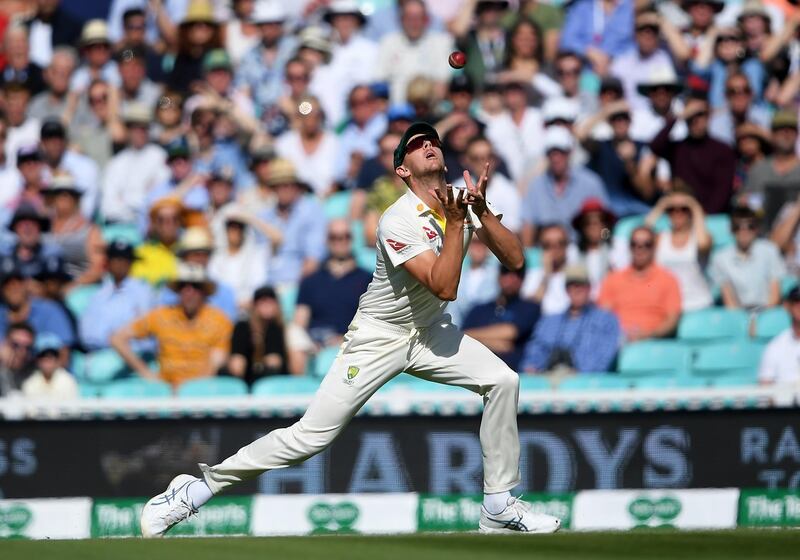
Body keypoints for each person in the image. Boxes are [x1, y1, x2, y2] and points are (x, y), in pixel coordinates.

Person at [140, 122, 560, 536]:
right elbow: (445, 285)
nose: (428, 145)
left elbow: (516, 259)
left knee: (503, 380)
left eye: (433, 140)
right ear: (403, 170)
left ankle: (498, 506)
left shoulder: (461, 204)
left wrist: (481, 212)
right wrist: (457, 221)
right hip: (379, 336)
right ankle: (195, 490)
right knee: (309, 438)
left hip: (430, 330)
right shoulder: (397, 220)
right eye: (416, 144)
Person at [111, 262, 233, 388]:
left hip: (201, 392)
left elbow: (215, 364)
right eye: (183, 286)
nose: (189, 291)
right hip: (165, 390)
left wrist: (189, 391)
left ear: (204, 292)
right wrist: (146, 373)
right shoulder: (162, 316)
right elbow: (117, 338)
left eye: (195, 286)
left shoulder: (219, 320)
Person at [289, 219, 372, 373]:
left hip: (351, 341)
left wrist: (344, 338)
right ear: (327, 240)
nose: (340, 241)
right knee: (293, 333)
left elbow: (372, 321)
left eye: (345, 236)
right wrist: (314, 344)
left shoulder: (368, 280)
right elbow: (300, 322)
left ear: (351, 239)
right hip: (316, 342)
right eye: (334, 237)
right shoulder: (311, 281)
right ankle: (300, 386)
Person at [520, 264, 620, 374]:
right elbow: (533, 354)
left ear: (589, 288)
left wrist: (576, 372)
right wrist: (533, 367)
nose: (577, 289)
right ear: (566, 289)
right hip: (548, 382)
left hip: (585, 384)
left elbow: (604, 358)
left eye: (581, 285)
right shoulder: (549, 322)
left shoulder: (606, 320)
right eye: (572, 285)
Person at [521, 126, 608, 245]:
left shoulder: (590, 183)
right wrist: (529, 258)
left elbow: (604, 222)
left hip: (583, 249)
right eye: (552, 153)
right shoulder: (536, 186)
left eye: (561, 152)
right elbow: (528, 225)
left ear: (570, 153)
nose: (556, 158)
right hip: (547, 251)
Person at [649, 98, 737, 214]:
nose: (695, 120)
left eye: (700, 115)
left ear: (709, 117)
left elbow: (722, 191)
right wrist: (678, 117)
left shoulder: (723, 150)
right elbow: (656, 146)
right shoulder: (677, 148)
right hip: (681, 214)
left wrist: (704, 216)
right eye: (691, 116)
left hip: (712, 217)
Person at [598, 226, 682, 341]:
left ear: (654, 247)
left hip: (653, 342)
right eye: (634, 244)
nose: (639, 248)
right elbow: (603, 316)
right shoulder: (612, 279)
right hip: (618, 340)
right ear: (629, 247)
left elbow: (672, 320)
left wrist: (648, 335)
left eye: (646, 244)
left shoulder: (668, 279)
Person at [259, 159, 327, 287]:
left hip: (298, 283)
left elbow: (313, 260)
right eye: (278, 185)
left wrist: (294, 290)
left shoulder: (311, 211)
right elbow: (258, 258)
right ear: (273, 189)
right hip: (266, 285)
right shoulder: (264, 216)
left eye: (288, 184)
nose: (284, 189)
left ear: (297, 186)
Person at [100, 103, 169, 224]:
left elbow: (159, 201)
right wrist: (140, 202)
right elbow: (107, 207)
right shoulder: (116, 162)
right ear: (128, 129)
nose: (139, 132)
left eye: (143, 127)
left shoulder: (160, 157)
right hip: (119, 226)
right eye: (134, 127)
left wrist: (124, 200)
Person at [463, 262, 540, 372]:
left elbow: (511, 332)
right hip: (475, 372)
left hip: (512, 373)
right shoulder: (479, 309)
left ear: (523, 279)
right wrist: (494, 343)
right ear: (499, 276)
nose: (510, 278)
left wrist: (477, 339)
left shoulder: (529, 307)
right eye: (506, 273)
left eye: (517, 274)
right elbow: (463, 336)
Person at [80, 239, 154, 353]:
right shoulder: (99, 293)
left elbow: (146, 335)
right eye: (116, 259)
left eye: (125, 259)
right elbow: (88, 335)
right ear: (108, 262)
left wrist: (116, 341)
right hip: (97, 354)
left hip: (132, 355)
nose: (121, 263)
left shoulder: (143, 291)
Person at [374, 0, 453, 104]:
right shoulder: (388, 43)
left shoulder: (442, 43)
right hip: (398, 112)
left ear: (426, 20)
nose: (414, 23)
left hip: (430, 110)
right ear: (401, 20)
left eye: (418, 18)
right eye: (410, 18)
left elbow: (442, 84)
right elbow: (379, 80)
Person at [646, 192, 714, 311]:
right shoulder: (660, 238)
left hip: (698, 304)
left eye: (684, 209)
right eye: (672, 209)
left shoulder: (700, 237)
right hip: (667, 305)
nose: (677, 213)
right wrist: (661, 206)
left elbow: (703, 245)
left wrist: (694, 206)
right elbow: (642, 235)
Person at [710, 206, 784, 309]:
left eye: (750, 226)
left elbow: (774, 296)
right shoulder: (720, 258)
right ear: (731, 230)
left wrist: (762, 319)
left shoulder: (770, 250)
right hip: (738, 315)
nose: (744, 231)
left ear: (757, 229)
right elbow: (729, 301)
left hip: (768, 313)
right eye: (738, 227)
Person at [228, 285, 292, 385]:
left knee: (272, 364)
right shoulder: (242, 327)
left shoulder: (278, 328)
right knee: (236, 364)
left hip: (271, 378)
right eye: (262, 302)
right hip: (246, 377)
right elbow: (237, 362)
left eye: (270, 302)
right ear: (254, 305)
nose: (266, 306)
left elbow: (275, 362)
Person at [744, 111, 800, 197]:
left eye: (791, 129)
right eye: (781, 129)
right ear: (772, 135)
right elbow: (743, 201)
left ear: (797, 134)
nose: (786, 134)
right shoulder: (758, 170)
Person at [521, 223, 573, 315]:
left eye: (560, 243)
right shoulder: (531, 276)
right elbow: (528, 309)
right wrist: (546, 275)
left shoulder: (576, 274)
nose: (555, 248)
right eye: (547, 245)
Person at [571, 198, 617, 290]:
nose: (593, 227)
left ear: (605, 225)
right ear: (582, 227)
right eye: (588, 223)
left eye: (598, 222)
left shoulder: (616, 249)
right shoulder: (573, 252)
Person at [758, 286, 800, 386]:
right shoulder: (775, 346)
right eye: (796, 301)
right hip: (785, 400)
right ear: (787, 306)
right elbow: (765, 386)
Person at [20, 332, 78, 399]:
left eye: (52, 355)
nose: (47, 359)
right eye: (43, 355)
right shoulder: (29, 383)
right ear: (37, 359)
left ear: (58, 358)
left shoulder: (68, 381)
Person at [0, 321, 35, 396]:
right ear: (4, 344)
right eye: (15, 345)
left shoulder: (36, 373)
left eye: (27, 347)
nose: (21, 352)